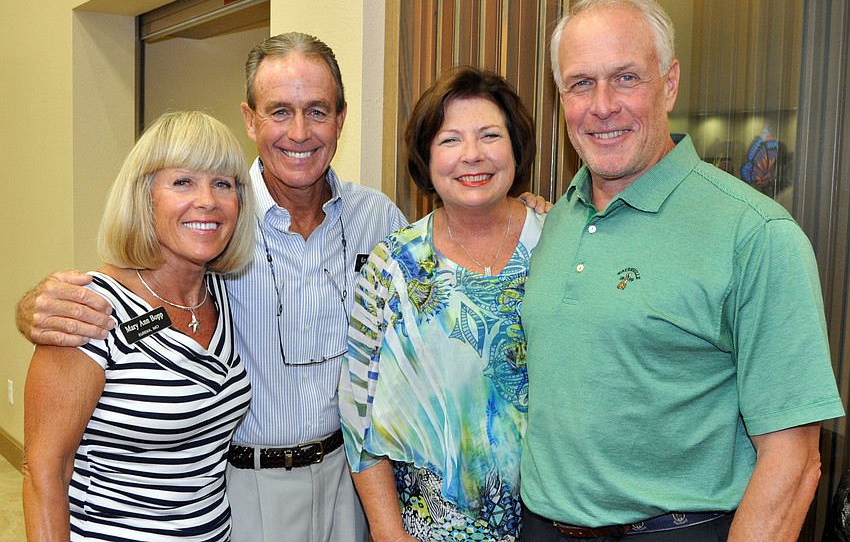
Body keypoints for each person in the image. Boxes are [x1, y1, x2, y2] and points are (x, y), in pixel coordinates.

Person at [15, 33, 550, 541]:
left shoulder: (379, 220)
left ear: (341, 119)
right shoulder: (220, 219)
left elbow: (446, 260)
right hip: (245, 484)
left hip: (353, 477)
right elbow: (147, 282)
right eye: (279, 112)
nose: (300, 132)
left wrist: (528, 213)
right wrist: (36, 304)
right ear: (250, 120)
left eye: (318, 110)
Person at [519, 0, 844, 542]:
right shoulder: (558, 220)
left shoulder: (756, 234)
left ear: (669, 83)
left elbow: (795, 460)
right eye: (580, 83)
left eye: (626, 77)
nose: (601, 105)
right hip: (541, 527)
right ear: (561, 99)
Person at [22, 110, 255, 540]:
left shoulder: (224, 294)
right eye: (183, 181)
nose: (207, 199)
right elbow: (44, 472)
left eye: (223, 183)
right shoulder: (86, 311)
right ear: (143, 196)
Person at [338, 66, 542, 541]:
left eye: (490, 135)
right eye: (450, 140)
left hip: (554, 524)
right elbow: (356, 411)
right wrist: (390, 534)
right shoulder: (394, 264)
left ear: (515, 147)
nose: (472, 155)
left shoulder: (559, 247)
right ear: (426, 157)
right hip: (426, 529)